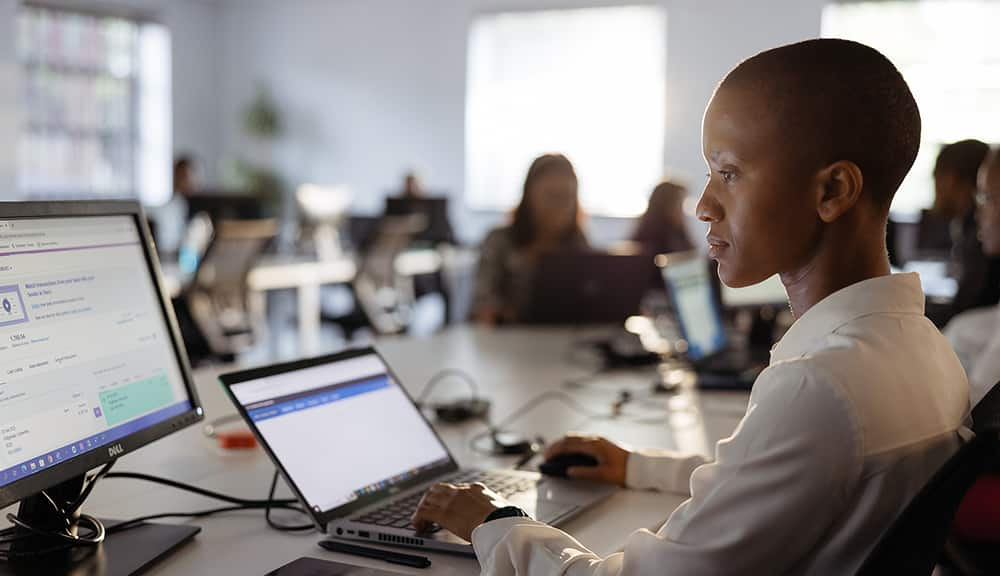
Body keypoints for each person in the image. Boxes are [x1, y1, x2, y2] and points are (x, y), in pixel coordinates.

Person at [413, 39, 969, 575]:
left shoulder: (820, 387)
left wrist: (497, 522)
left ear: (832, 191)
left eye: (728, 173)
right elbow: (781, 476)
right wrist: (638, 466)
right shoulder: (925, 350)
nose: (704, 206)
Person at [471, 153, 588, 324]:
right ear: (529, 196)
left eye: (566, 197)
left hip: (560, 340)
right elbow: (482, 302)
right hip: (505, 342)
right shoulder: (499, 240)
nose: (559, 206)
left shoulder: (578, 242)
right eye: (551, 195)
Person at [927, 140, 1000, 325]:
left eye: (985, 196)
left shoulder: (978, 240)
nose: (978, 213)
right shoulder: (970, 231)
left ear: (950, 179)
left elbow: (964, 310)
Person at [630, 179, 694, 255]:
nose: (682, 210)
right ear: (665, 205)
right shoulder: (650, 241)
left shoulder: (678, 232)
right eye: (679, 203)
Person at [153, 155, 198, 256]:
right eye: (183, 177)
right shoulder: (170, 208)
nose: (188, 182)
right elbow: (168, 246)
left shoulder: (193, 205)